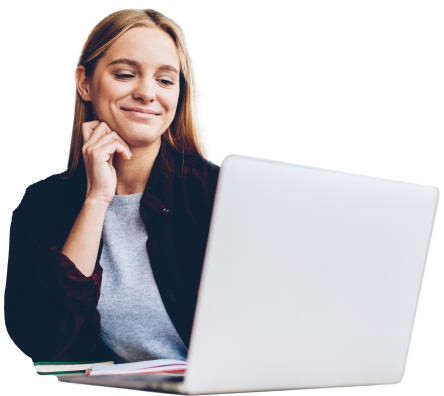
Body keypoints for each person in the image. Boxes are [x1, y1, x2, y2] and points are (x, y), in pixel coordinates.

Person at [5, 8, 220, 363]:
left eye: (165, 80)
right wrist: (96, 199)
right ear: (85, 82)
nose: (147, 93)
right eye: (124, 74)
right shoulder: (44, 204)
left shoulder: (215, 191)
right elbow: (43, 341)